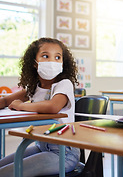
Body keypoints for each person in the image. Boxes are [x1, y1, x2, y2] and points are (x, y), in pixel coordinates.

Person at [0, 37, 80, 177]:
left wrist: (22, 106)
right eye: (45, 56)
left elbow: (53, 106)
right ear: (34, 63)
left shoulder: (64, 84)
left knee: (5, 173)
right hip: (42, 147)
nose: (52, 61)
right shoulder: (34, 87)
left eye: (57, 57)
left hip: (64, 153)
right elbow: (6, 100)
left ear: (63, 63)